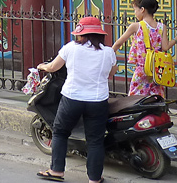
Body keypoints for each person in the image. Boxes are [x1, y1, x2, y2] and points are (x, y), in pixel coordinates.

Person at [36, 16, 117, 183]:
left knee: (60, 132)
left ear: (81, 34)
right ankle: (95, 179)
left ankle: (56, 171)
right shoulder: (109, 52)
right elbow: (111, 73)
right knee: (95, 140)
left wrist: (42, 66)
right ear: (100, 34)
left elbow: (53, 67)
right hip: (98, 101)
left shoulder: (71, 48)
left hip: (72, 99)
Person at [112, 0, 177, 96]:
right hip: (157, 70)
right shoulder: (162, 27)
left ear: (142, 10)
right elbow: (165, 47)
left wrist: (108, 54)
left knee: (135, 98)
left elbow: (118, 43)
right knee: (155, 98)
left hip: (142, 68)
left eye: (135, 10)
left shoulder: (136, 26)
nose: (135, 13)